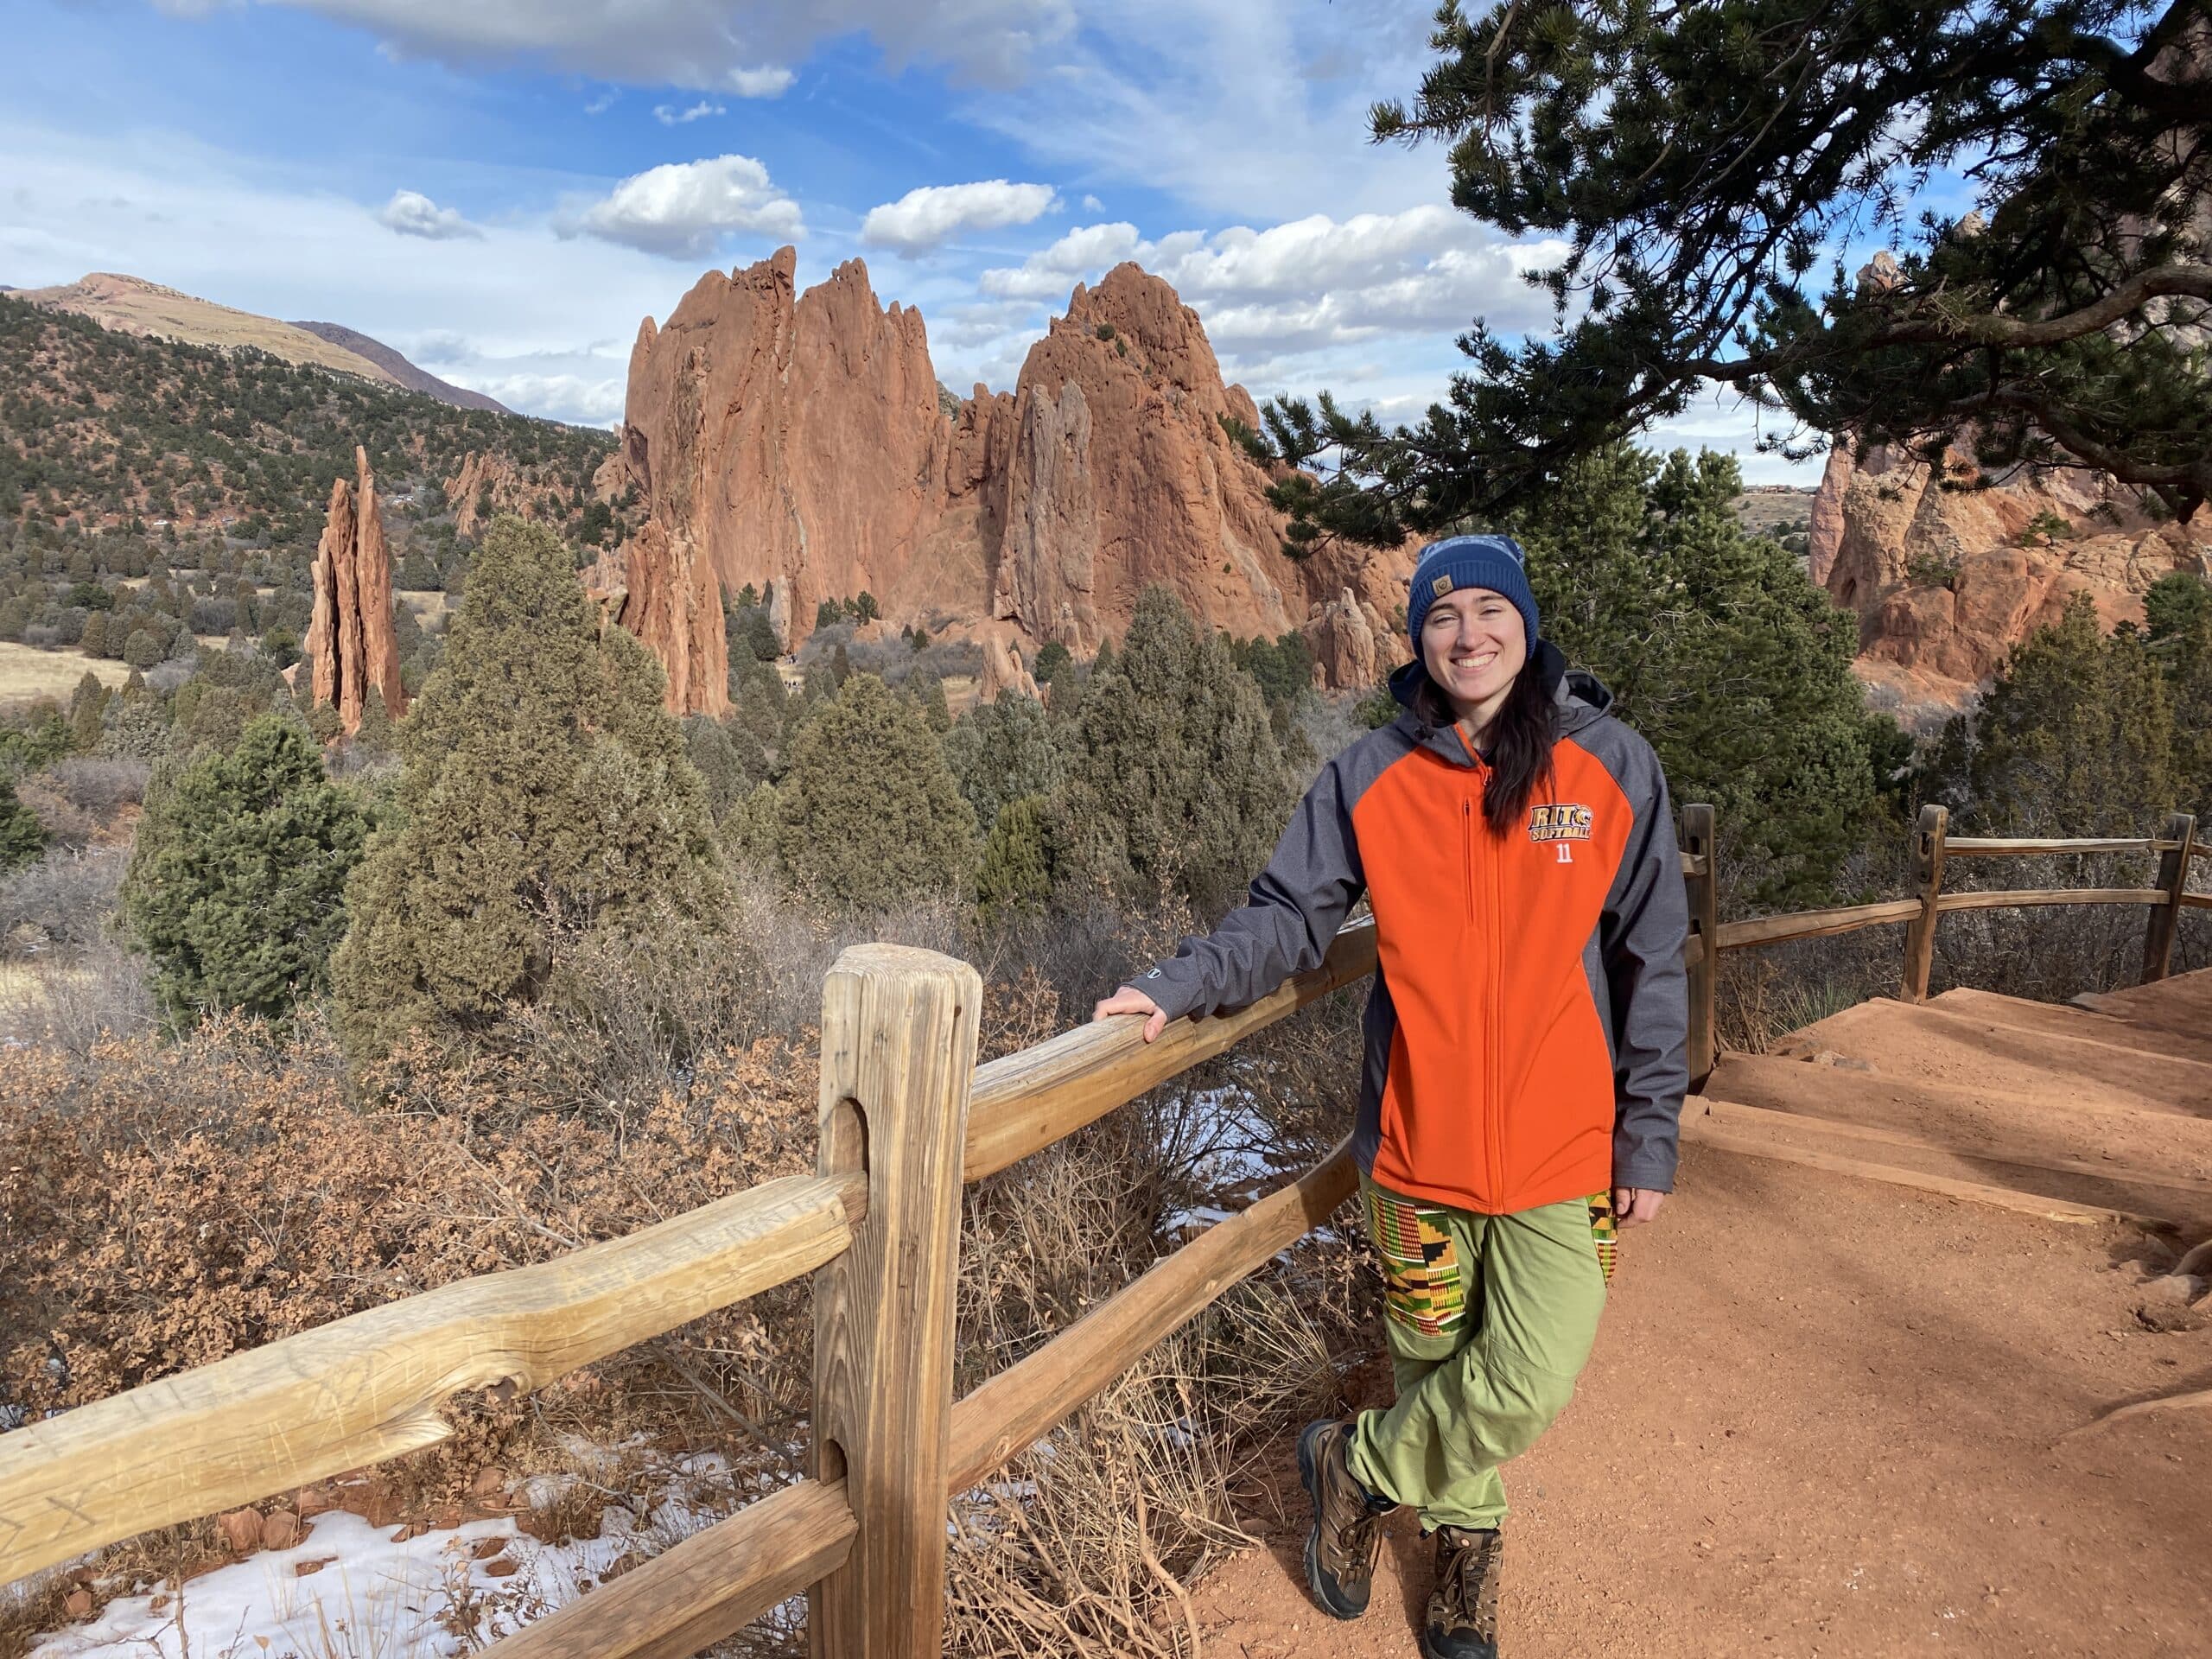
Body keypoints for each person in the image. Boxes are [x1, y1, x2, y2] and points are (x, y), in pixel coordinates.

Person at [1094, 534, 1688, 1659]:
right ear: (1416, 639)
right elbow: (1285, 916)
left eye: (1487, 609)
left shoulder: (1611, 765)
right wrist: (1177, 985)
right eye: (1442, 616)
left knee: (1531, 1373)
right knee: (1432, 1357)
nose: (1468, 634)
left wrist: (1648, 1131)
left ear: (1524, 620)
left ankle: (1354, 1465)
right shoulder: (1371, 777)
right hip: (1417, 1149)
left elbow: (1651, 959)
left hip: (1565, 1145)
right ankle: (1466, 1543)